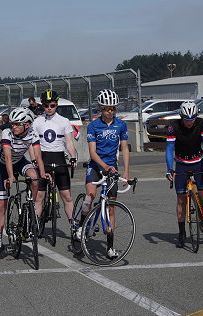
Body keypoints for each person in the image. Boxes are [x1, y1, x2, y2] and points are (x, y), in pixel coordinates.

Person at [77, 89, 130, 259]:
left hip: (112, 168)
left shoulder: (121, 125)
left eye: (113, 108)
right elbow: (92, 153)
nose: (110, 111)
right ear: (100, 108)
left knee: (111, 208)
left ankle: (110, 247)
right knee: (90, 196)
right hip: (96, 166)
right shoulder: (93, 126)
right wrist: (104, 166)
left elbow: (124, 148)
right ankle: (80, 227)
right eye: (107, 108)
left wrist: (127, 171)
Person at [0, 107, 47, 262]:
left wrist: (43, 173)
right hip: (4, 165)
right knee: (1, 205)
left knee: (35, 177)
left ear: (27, 125)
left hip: (20, 161)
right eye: (12, 123)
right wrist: (10, 176)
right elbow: (7, 157)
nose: (12, 126)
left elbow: (38, 156)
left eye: (16, 124)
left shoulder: (33, 134)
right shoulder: (7, 133)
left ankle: (31, 209)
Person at [166, 101, 203, 248]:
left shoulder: (201, 124)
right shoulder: (173, 127)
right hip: (181, 164)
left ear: (196, 117)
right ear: (181, 116)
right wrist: (169, 169)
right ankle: (182, 232)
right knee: (181, 200)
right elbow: (169, 149)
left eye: (192, 119)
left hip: (199, 162)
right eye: (186, 119)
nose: (189, 122)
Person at [33, 89, 77, 229]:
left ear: (56, 104)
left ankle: (74, 227)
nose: (49, 108)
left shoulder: (64, 121)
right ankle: (33, 227)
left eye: (52, 105)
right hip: (43, 160)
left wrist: (73, 157)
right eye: (46, 105)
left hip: (59, 159)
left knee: (67, 196)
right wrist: (34, 159)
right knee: (39, 197)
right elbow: (33, 144)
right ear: (42, 106)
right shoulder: (37, 122)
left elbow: (69, 143)